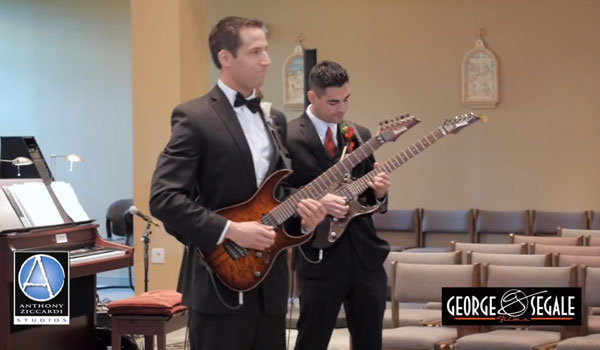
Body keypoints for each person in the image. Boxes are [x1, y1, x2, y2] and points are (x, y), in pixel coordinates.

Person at [149, 16, 326, 350]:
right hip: (219, 279)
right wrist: (229, 230)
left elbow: (275, 194)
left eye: (266, 50)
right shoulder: (194, 116)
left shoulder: (274, 120)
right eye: (255, 51)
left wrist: (304, 213)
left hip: (270, 284)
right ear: (225, 58)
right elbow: (164, 198)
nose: (267, 60)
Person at [286, 61, 391, 350]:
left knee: (370, 342)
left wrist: (379, 193)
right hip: (320, 255)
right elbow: (279, 194)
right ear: (312, 97)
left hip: (366, 256)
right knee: (312, 340)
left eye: (346, 100)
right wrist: (316, 201)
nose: (342, 109)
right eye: (333, 102)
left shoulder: (359, 134)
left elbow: (368, 197)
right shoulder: (288, 136)